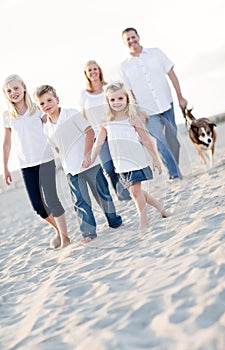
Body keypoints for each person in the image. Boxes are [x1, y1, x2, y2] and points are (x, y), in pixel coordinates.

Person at [34, 84, 123, 243]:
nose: (46, 105)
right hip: (72, 170)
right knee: (80, 202)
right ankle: (88, 233)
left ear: (57, 100)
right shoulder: (46, 128)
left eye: (49, 100)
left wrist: (87, 155)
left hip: (91, 164)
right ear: (39, 107)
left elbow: (90, 132)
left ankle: (114, 221)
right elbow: (56, 148)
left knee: (102, 195)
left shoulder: (71, 114)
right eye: (42, 103)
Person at [84, 81, 168, 230]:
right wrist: (91, 157)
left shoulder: (133, 118)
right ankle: (160, 207)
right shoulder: (106, 122)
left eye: (120, 99)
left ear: (127, 99)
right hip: (120, 164)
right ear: (108, 101)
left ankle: (143, 222)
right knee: (136, 192)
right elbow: (99, 142)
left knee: (135, 193)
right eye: (113, 99)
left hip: (136, 161)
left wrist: (155, 159)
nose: (116, 102)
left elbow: (146, 140)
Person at [1, 74, 70, 249]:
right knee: (38, 206)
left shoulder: (38, 110)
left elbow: (52, 127)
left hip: (45, 160)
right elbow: (7, 142)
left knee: (52, 199)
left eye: (16, 88)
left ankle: (65, 238)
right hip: (26, 166)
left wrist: (60, 147)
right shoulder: (7, 116)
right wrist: (6, 168)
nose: (13, 92)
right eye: (8, 91)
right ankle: (58, 231)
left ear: (24, 88)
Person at [120, 27, 188, 181]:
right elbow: (129, 93)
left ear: (138, 37)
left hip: (167, 104)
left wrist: (180, 97)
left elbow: (172, 75)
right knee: (161, 142)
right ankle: (175, 174)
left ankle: (174, 167)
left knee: (173, 141)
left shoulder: (156, 53)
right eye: (128, 39)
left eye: (133, 37)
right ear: (125, 43)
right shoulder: (124, 66)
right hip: (147, 111)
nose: (132, 41)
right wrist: (138, 112)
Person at [79, 60, 131, 201]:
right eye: (90, 70)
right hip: (97, 136)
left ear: (99, 70)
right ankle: (121, 194)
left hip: (114, 131)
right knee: (108, 167)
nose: (93, 72)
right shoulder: (84, 94)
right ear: (86, 74)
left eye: (95, 69)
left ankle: (130, 190)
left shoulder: (109, 88)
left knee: (121, 162)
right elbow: (84, 116)